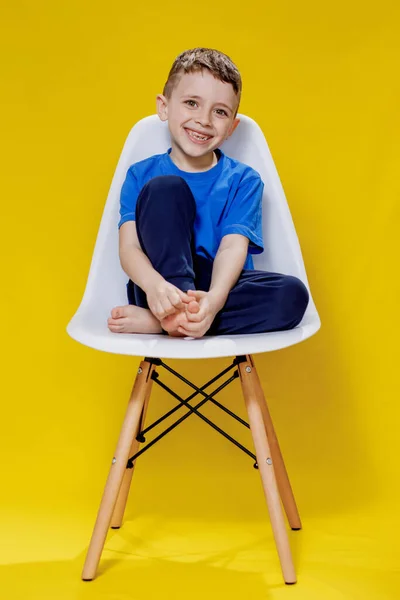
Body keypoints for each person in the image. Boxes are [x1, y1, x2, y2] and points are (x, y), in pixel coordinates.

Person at [108, 47, 309, 338]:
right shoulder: (141, 174)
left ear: (231, 127)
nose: (204, 119)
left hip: (217, 287)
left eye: (220, 112)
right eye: (191, 103)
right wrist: (156, 287)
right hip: (160, 289)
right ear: (164, 107)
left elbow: (231, 248)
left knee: (292, 295)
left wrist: (213, 301)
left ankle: (162, 324)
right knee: (165, 188)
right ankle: (173, 315)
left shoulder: (244, 180)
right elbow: (129, 249)